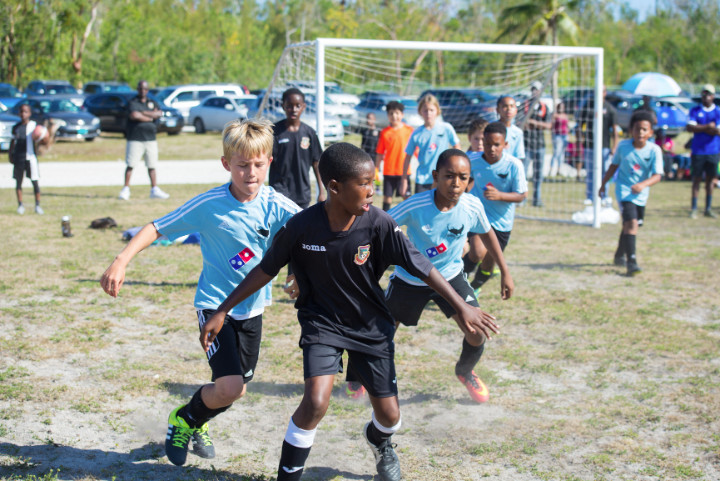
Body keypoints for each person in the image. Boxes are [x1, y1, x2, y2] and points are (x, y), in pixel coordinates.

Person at [199, 142, 500, 481]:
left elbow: (422, 266)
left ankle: (379, 441)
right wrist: (223, 309)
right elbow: (265, 269)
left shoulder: (378, 223)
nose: (372, 191)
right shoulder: (302, 227)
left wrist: (462, 306)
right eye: (365, 184)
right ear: (335, 187)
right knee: (315, 402)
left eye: (373, 182)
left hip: (370, 325)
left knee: (390, 416)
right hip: (322, 322)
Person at [100, 119, 301, 467]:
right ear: (226, 164)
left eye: (257, 164)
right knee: (230, 387)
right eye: (241, 165)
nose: (250, 173)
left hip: (253, 310)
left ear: (269, 162)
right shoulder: (209, 204)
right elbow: (156, 227)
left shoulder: (277, 205)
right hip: (214, 306)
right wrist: (121, 260)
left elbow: (312, 229)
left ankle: (197, 421)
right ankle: (182, 419)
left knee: (234, 388)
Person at [384, 149, 512, 403]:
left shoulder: (472, 206)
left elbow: (488, 234)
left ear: (469, 181)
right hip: (411, 279)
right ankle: (359, 376)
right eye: (449, 176)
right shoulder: (416, 205)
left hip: (451, 276)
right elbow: (382, 224)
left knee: (476, 332)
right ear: (435, 176)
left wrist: (505, 271)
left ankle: (465, 371)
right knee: (381, 332)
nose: (456, 183)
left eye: (463, 177)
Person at [463, 122, 528, 295]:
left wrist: (500, 195)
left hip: (502, 223)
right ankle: (455, 282)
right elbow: (464, 179)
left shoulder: (514, 165)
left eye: (497, 144)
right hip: (479, 217)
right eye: (488, 144)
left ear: (505, 145)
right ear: (482, 142)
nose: (492, 148)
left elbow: (521, 195)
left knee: (488, 265)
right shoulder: (472, 160)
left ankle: (475, 286)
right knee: (477, 252)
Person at [599, 111, 663, 276]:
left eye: (644, 129)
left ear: (650, 132)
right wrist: (603, 184)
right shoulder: (623, 146)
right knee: (632, 224)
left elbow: (657, 175)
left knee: (631, 225)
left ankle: (619, 254)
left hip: (641, 194)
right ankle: (631, 261)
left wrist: (643, 184)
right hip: (624, 191)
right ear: (631, 130)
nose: (640, 133)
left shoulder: (654, 150)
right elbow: (613, 166)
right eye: (637, 129)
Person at [270, 87, 327, 209]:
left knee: (301, 227)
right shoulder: (274, 132)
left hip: (302, 192)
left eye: (298, 106)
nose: (294, 110)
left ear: (304, 107)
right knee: (281, 228)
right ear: (283, 106)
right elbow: (264, 160)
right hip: (279, 191)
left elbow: (317, 163)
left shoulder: (309, 133)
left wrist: (321, 191)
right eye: (289, 105)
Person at [118, 80, 170, 201]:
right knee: (131, 164)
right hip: (135, 138)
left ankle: (154, 189)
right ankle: (126, 189)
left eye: (145, 89)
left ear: (148, 90)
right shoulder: (132, 102)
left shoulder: (152, 102)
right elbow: (134, 115)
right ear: (138, 89)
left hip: (150, 138)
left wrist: (143, 113)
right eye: (141, 89)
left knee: (152, 165)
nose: (143, 91)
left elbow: (159, 113)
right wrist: (150, 116)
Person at [400, 93, 461, 196]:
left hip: (442, 177)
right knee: (422, 210)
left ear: (437, 111)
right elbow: (407, 157)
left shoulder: (446, 128)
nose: (428, 113)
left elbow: (457, 147)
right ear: (420, 112)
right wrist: (404, 180)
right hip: (423, 179)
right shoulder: (417, 133)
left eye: (431, 110)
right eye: (425, 110)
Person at [576, 86, 620, 207]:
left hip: (604, 146)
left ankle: (603, 195)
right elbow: (579, 125)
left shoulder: (610, 109)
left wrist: (614, 146)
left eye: (601, 91)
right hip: (589, 146)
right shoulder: (588, 106)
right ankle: (590, 196)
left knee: (604, 172)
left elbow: (615, 130)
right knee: (590, 171)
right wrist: (579, 141)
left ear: (605, 93)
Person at [686, 83, 720, 219]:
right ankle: (694, 208)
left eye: (709, 94)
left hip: (713, 151)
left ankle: (708, 208)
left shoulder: (717, 111)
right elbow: (690, 128)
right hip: (698, 151)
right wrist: (708, 126)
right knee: (696, 179)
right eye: (704, 94)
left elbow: (718, 131)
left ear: (713, 96)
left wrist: (700, 128)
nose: (706, 97)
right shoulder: (695, 110)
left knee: (710, 180)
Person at [9, 103, 50, 215]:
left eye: (26, 111)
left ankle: (37, 205)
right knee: (18, 182)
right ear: (19, 113)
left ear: (30, 113)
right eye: (21, 111)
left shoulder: (34, 126)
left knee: (35, 182)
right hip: (19, 158)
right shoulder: (16, 128)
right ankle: (20, 205)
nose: (23, 114)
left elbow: (44, 139)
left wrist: (44, 139)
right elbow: (12, 142)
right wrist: (10, 155)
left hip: (31, 157)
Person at [375, 100, 414, 211]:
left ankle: (410, 218)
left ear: (402, 114)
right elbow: (379, 152)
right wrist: (377, 169)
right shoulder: (385, 132)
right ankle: (384, 220)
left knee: (406, 197)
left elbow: (416, 150)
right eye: (391, 113)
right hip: (389, 171)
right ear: (388, 115)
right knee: (387, 198)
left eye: (397, 113)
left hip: (405, 172)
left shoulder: (409, 131)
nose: (394, 116)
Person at [522, 81, 551, 207]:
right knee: (523, 173)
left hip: (540, 145)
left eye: (537, 90)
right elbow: (522, 123)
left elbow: (548, 125)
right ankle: (522, 198)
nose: (535, 92)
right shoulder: (525, 106)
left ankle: (536, 198)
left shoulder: (544, 107)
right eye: (533, 89)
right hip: (526, 144)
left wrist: (533, 122)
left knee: (538, 173)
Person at [496, 95, 525, 163]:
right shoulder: (490, 128)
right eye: (505, 106)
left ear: (516, 110)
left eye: (512, 106)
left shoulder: (517, 132)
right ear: (497, 110)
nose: (509, 109)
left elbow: (519, 157)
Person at [550, 101, 569, 177]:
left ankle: (559, 169)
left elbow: (567, 125)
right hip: (557, 136)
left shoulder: (565, 115)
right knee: (556, 153)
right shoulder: (555, 115)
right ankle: (551, 169)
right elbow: (552, 125)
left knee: (562, 154)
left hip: (564, 136)